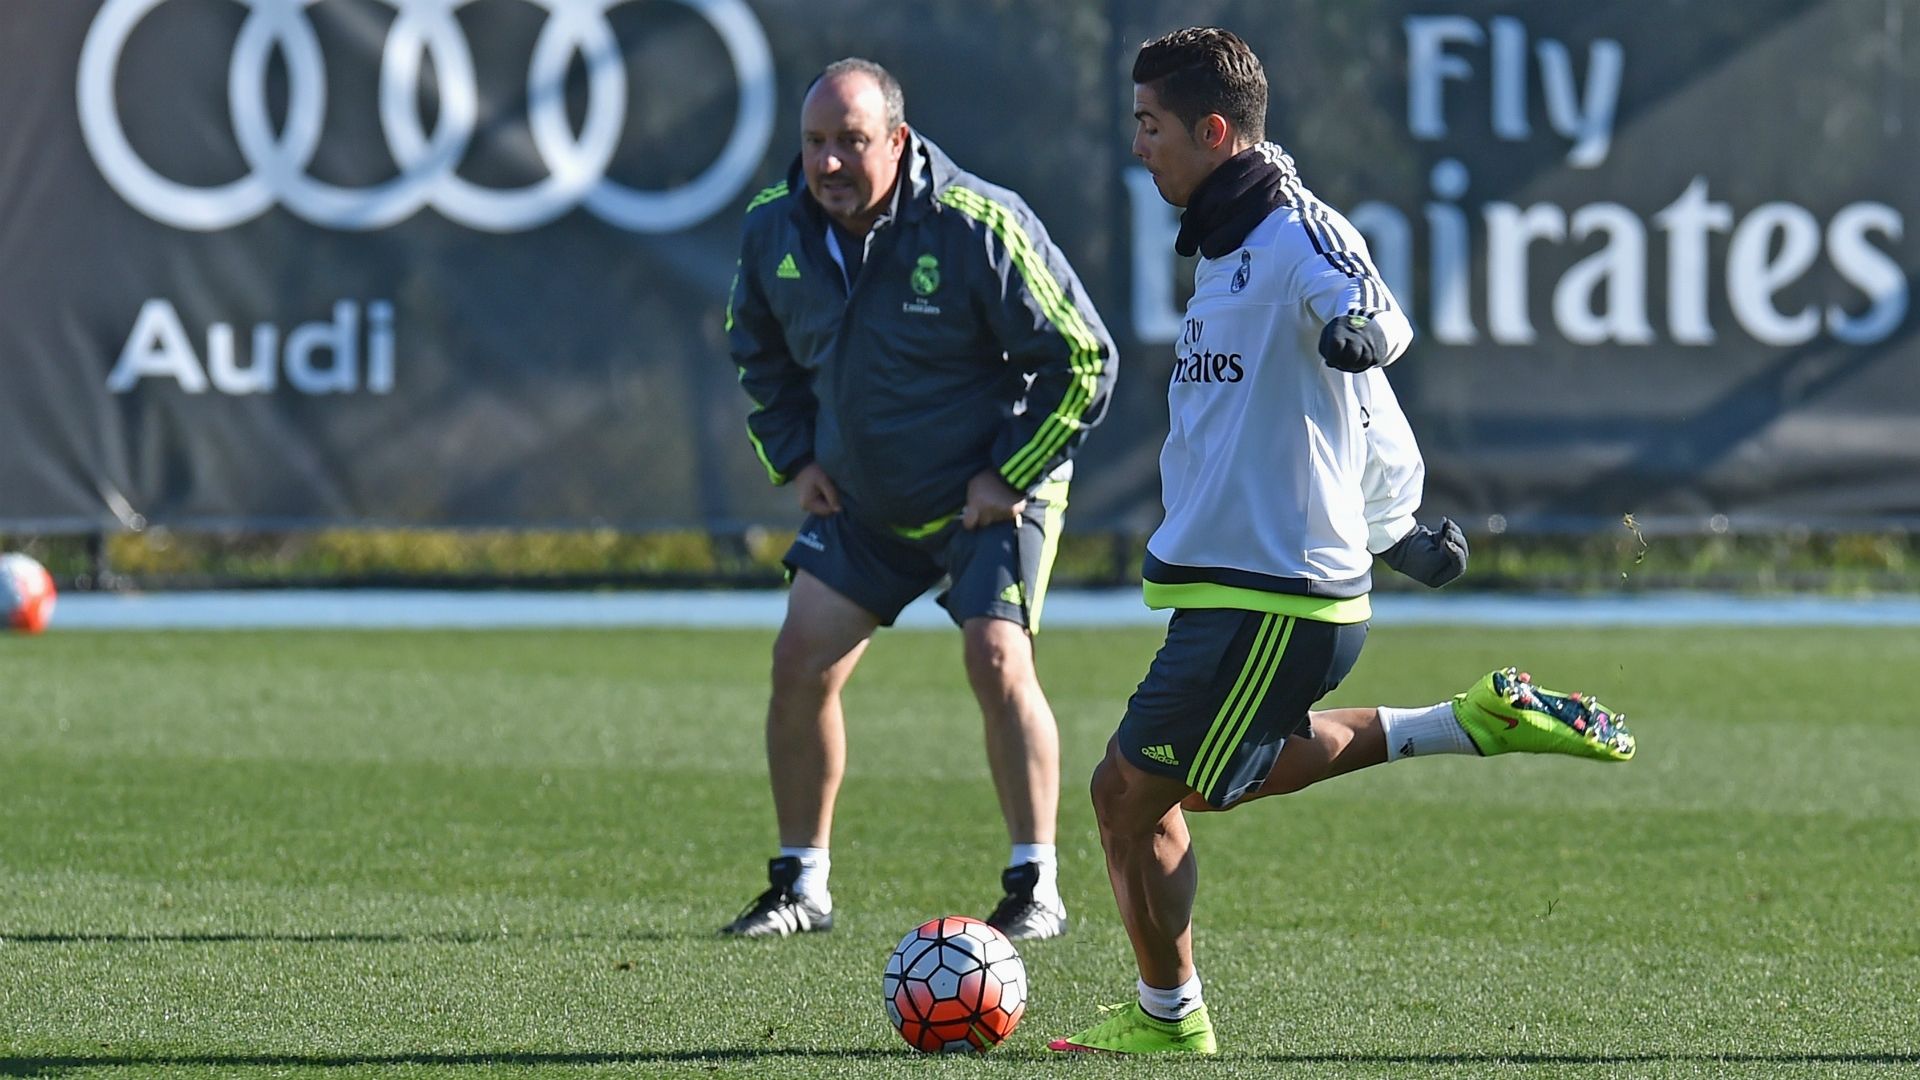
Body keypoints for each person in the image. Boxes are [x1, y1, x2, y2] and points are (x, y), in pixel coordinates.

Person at [1046, 27, 1634, 1054]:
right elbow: (1331, 409)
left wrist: (1364, 334)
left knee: (1127, 794)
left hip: (1276, 594)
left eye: (1151, 126)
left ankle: (1171, 1020)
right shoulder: (1227, 241)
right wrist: (1392, 526)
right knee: (1185, 787)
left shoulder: (1288, 225)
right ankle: (1471, 721)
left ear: (1214, 130)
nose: (1137, 146)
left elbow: (1370, 314)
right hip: (1237, 591)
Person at [718, 58, 1118, 941]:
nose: (827, 164)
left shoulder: (976, 223)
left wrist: (1009, 473)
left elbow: (1085, 359)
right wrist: (794, 459)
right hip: (865, 503)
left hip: (992, 500)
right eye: (815, 143)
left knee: (996, 660)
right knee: (799, 663)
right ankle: (801, 885)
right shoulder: (772, 230)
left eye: (850, 143)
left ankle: (1035, 885)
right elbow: (758, 350)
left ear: (896, 141)